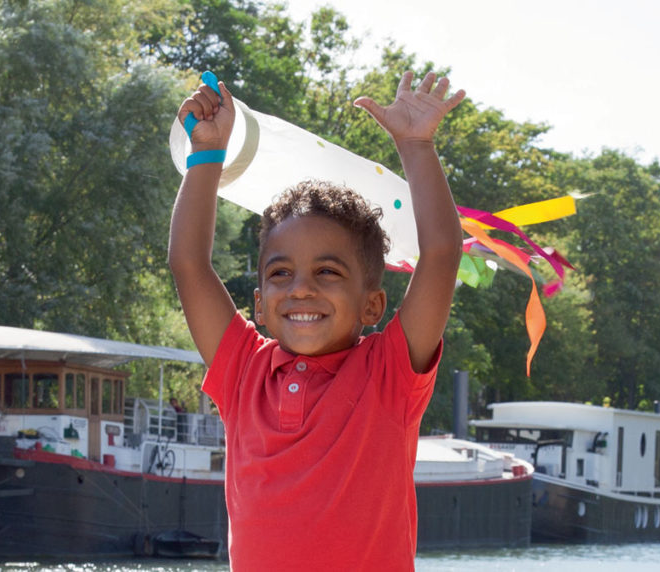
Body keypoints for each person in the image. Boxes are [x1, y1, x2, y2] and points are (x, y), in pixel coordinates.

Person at [168, 71, 465, 570]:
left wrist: (416, 145)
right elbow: (188, 263)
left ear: (373, 306)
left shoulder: (388, 373)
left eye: (327, 272)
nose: (301, 288)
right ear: (259, 305)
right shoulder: (243, 371)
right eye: (281, 273)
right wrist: (207, 154)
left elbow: (441, 253)